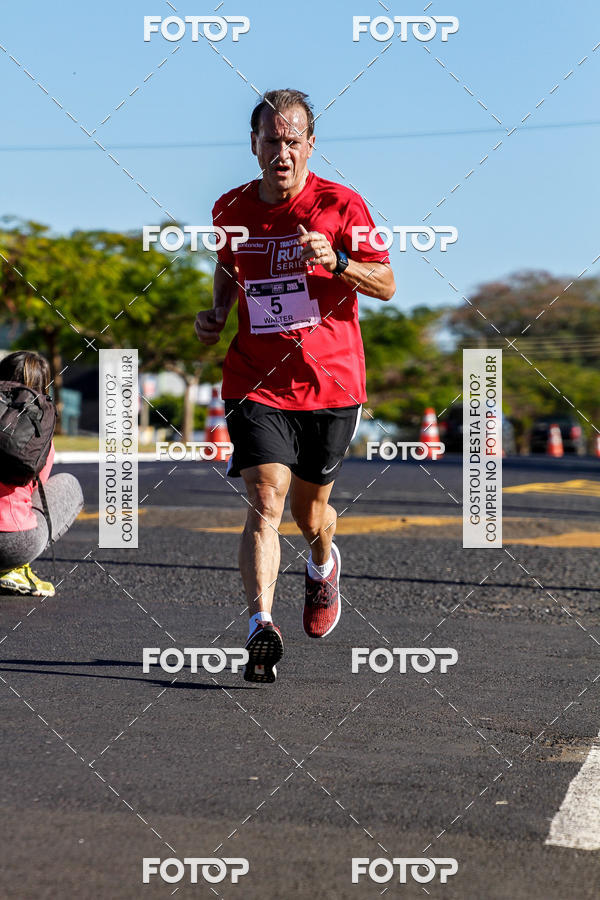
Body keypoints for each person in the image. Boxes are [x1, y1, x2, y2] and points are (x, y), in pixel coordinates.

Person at [195, 89, 395, 683]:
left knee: (312, 514)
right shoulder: (229, 209)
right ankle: (261, 624)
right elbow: (228, 266)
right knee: (267, 496)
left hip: (331, 382)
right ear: (253, 145)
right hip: (255, 378)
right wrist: (217, 313)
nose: (281, 152)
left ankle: (322, 562)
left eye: (292, 140)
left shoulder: (341, 204)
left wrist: (336, 261)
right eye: (270, 140)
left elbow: (385, 283)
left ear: (309, 144)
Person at [0, 351, 84, 597]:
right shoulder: (38, 427)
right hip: (11, 545)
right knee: (69, 484)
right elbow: (36, 486)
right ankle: (14, 570)